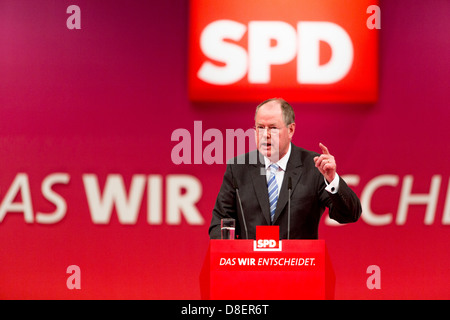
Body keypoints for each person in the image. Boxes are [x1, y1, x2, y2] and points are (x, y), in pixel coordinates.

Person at [209, 98, 362, 239]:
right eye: (260, 127)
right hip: (250, 265)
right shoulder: (238, 168)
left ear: (290, 130)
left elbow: (349, 215)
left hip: (299, 265)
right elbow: (219, 222)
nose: (265, 135)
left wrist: (332, 179)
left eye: (273, 128)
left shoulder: (314, 166)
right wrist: (229, 253)